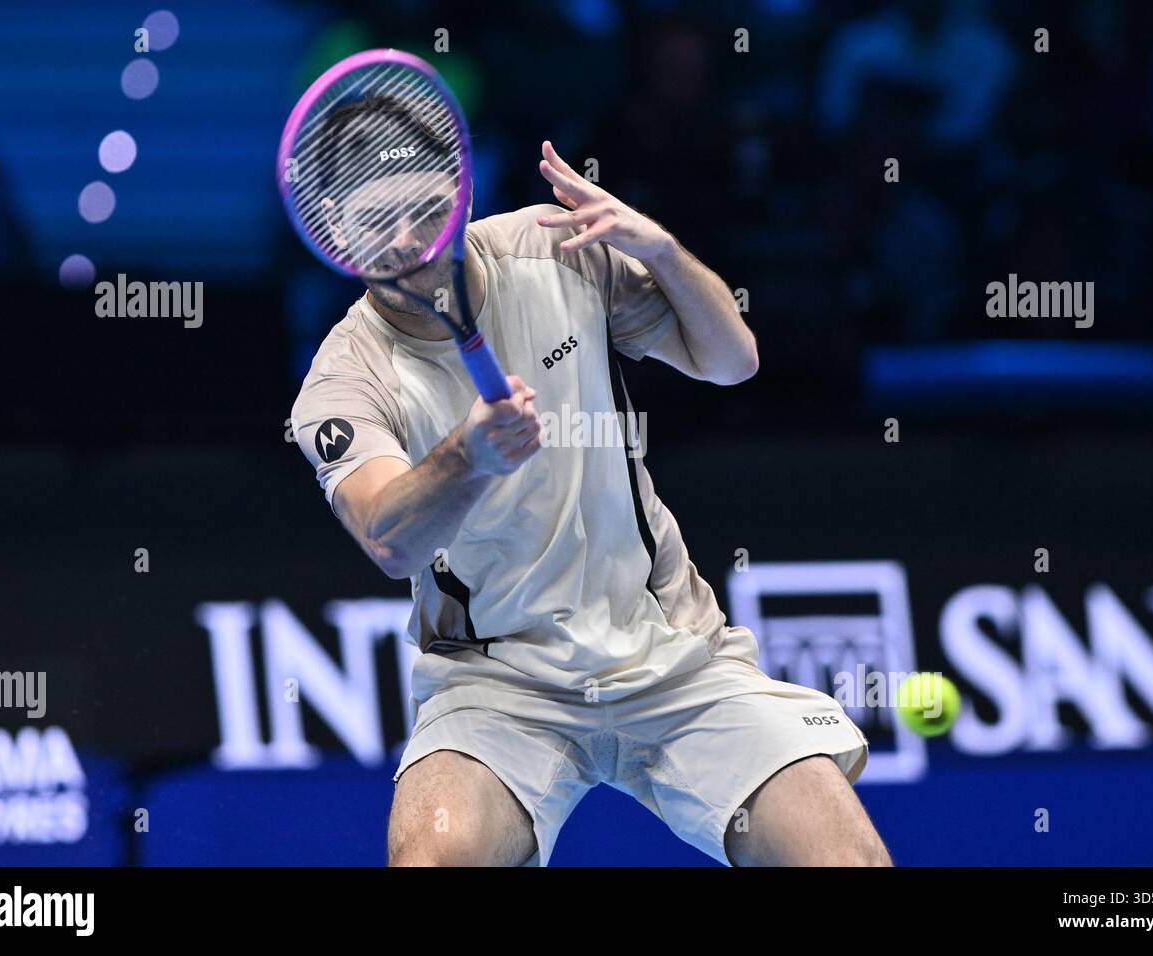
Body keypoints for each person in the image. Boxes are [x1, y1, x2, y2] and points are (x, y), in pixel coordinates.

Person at [291, 94, 889, 866]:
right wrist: (467, 457)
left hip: (672, 653)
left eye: (426, 210)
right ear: (334, 229)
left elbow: (732, 360)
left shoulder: (557, 249)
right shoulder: (345, 380)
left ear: (462, 191)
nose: (409, 242)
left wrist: (663, 252)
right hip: (496, 682)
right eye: (378, 222)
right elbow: (387, 537)